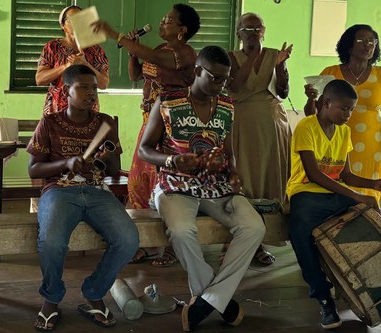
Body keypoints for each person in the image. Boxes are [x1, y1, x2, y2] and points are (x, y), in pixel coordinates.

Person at [138, 46, 265, 331]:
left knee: (254, 227)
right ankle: (219, 300)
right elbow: (145, 150)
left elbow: (229, 151)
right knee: (182, 231)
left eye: (225, 79)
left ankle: (207, 301)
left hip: (217, 186)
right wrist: (172, 159)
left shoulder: (227, 106)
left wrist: (234, 173)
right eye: (215, 77)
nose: (221, 84)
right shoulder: (168, 101)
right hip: (175, 184)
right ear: (197, 71)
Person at [287, 79, 381, 329]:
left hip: (336, 194)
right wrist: (357, 196)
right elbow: (314, 175)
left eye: (351, 109)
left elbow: (346, 175)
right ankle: (323, 299)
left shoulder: (344, 132)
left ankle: (360, 283)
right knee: (300, 234)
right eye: (344, 109)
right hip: (306, 195)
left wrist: (373, 185)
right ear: (326, 103)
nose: (348, 114)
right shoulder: (306, 127)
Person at [27, 64, 138, 331]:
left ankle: (93, 291)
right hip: (59, 191)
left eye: (95, 88)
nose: (91, 93)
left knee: (128, 240)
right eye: (84, 87)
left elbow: (112, 172)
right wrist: (66, 162)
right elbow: (34, 168)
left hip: (97, 191)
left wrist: (107, 157)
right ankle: (51, 298)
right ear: (67, 90)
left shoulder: (105, 123)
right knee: (52, 242)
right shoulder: (50, 123)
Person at [92, 3, 200, 268]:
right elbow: (135, 74)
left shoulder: (184, 53)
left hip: (173, 129)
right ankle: (143, 243)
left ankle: (171, 247)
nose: (162, 22)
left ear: (182, 30)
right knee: (139, 184)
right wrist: (131, 51)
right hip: (150, 123)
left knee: (163, 185)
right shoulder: (161, 50)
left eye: (168, 20)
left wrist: (116, 35)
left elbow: (152, 58)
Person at [304, 24, 381, 205]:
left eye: (372, 41)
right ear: (349, 46)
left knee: (369, 196)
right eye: (362, 40)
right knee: (339, 196)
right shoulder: (330, 73)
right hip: (336, 146)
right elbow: (313, 115)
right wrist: (310, 99)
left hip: (372, 148)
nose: (368, 45)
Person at [226, 12, 293, 266]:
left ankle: (263, 241)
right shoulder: (232, 57)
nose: (253, 33)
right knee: (244, 178)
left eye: (257, 29)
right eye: (247, 29)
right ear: (238, 33)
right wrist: (252, 56)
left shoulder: (276, 54)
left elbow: (284, 92)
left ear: (264, 31)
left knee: (269, 178)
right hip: (243, 122)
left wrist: (280, 66)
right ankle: (237, 239)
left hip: (271, 123)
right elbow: (235, 88)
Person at [35, 5, 109, 115]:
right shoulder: (52, 47)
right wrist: (66, 66)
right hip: (56, 112)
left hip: (87, 113)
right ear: (63, 25)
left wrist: (85, 64)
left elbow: (103, 84)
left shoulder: (95, 50)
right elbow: (40, 80)